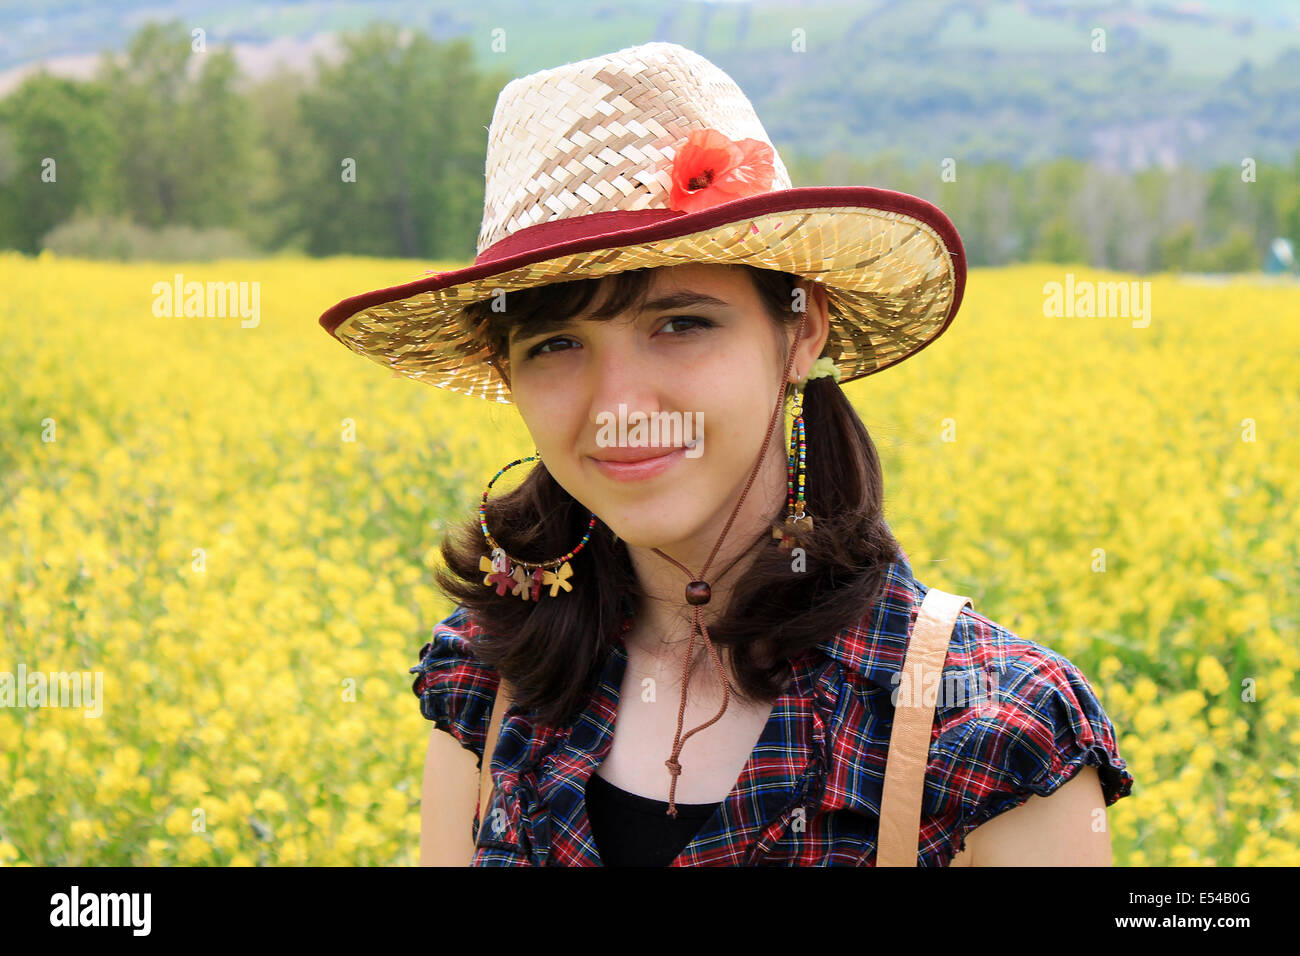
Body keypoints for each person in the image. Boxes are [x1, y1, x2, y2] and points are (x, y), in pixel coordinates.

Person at [318, 41, 1135, 866]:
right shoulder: (491, 677)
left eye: (681, 324)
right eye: (556, 343)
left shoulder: (991, 727)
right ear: (508, 374)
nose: (619, 408)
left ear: (801, 330)